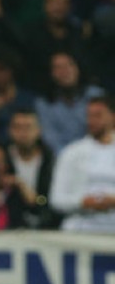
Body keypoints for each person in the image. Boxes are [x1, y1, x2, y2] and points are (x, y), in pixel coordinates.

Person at [49, 96, 115, 233]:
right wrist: (83, 202)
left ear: (112, 117)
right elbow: (56, 199)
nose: (92, 121)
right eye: (89, 116)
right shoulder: (71, 153)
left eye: (98, 115)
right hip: (80, 231)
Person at [35, 51, 105, 156]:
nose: (64, 71)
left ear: (78, 68)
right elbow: (50, 140)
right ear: (51, 73)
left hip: (98, 155)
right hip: (61, 159)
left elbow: (104, 131)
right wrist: (71, 159)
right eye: (58, 67)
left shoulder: (97, 95)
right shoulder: (43, 104)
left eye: (69, 65)